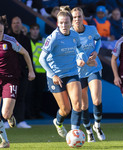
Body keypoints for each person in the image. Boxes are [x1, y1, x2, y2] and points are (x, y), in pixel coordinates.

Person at [39, 6, 96, 138]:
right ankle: (58, 122)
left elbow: (80, 49)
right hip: (55, 76)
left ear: (71, 23)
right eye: (61, 23)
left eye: (66, 22)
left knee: (77, 104)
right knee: (66, 109)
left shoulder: (75, 35)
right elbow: (42, 59)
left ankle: (74, 134)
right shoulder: (53, 38)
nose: (64, 25)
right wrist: (53, 75)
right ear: (57, 23)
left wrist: (83, 57)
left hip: (72, 73)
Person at [0, 15, 35, 148]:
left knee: (5, 114)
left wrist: (31, 71)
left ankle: (10, 116)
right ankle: (5, 141)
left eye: (1, 31)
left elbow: (25, 53)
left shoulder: (10, 41)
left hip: (10, 79)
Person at [71, 7, 105, 142]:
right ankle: (89, 131)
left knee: (96, 100)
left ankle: (97, 126)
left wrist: (96, 51)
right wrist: (77, 61)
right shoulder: (69, 34)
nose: (77, 19)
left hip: (93, 68)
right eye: (74, 17)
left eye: (79, 16)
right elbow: (66, 52)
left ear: (83, 17)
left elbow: (99, 40)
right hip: (79, 73)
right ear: (71, 19)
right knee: (84, 106)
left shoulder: (91, 29)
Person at [7, 16, 33, 128]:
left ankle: (21, 120)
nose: (16, 25)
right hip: (9, 73)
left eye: (18, 23)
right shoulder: (7, 38)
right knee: (9, 97)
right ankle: (7, 120)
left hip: (22, 73)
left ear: (21, 24)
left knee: (21, 97)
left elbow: (29, 56)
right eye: (14, 23)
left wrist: (31, 71)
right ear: (11, 25)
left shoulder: (26, 39)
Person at [27, 23, 46, 119]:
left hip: (41, 71)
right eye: (33, 29)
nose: (35, 31)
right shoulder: (26, 40)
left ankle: (37, 113)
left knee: (39, 94)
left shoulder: (43, 41)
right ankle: (29, 113)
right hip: (29, 71)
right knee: (29, 93)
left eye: (36, 29)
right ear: (30, 30)